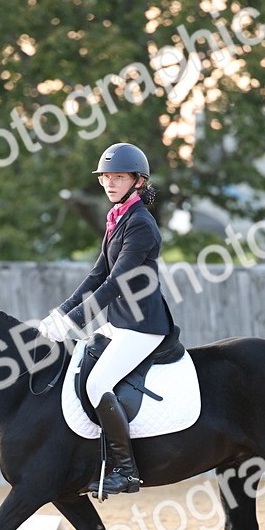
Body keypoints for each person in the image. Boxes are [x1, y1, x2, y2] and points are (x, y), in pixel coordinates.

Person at [38, 142, 172, 495]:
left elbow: (117, 282)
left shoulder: (141, 224)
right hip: (119, 323)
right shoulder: (118, 219)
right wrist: (61, 312)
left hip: (143, 326)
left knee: (99, 384)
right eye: (106, 177)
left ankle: (126, 471)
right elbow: (97, 274)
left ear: (138, 181)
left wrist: (77, 320)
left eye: (118, 177)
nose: (110, 183)